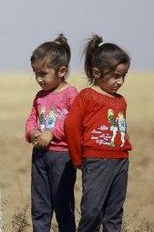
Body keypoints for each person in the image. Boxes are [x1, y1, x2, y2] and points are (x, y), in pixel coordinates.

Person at [64, 36, 132, 232]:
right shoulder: (86, 96)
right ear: (97, 72)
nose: (120, 82)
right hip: (95, 161)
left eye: (124, 76)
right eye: (116, 76)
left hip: (121, 161)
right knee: (92, 212)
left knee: (114, 214)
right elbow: (71, 127)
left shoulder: (121, 101)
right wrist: (78, 159)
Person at [24, 34, 78, 231]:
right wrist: (32, 133)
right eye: (35, 74)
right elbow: (32, 118)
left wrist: (51, 133)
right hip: (39, 157)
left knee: (63, 207)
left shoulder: (71, 94)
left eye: (43, 73)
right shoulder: (40, 96)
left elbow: (73, 122)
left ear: (61, 71)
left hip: (62, 158)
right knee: (40, 208)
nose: (39, 79)